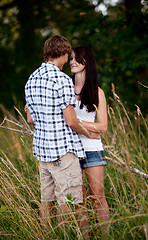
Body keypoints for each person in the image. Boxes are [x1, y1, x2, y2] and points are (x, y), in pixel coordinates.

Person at [25, 35, 99, 238]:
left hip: (42, 151)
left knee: (46, 201)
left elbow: (31, 120)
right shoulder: (61, 79)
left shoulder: (31, 79)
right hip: (63, 151)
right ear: (63, 53)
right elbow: (71, 121)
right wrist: (90, 132)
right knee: (69, 200)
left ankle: (48, 236)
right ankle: (68, 236)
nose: (67, 61)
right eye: (67, 56)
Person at [70, 46, 109, 234]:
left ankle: (106, 236)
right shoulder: (66, 89)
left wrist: (77, 123)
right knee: (79, 200)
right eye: (71, 58)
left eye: (77, 59)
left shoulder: (97, 92)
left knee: (98, 196)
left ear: (87, 63)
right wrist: (89, 129)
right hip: (70, 150)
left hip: (92, 149)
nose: (72, 62)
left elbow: (103, 127)